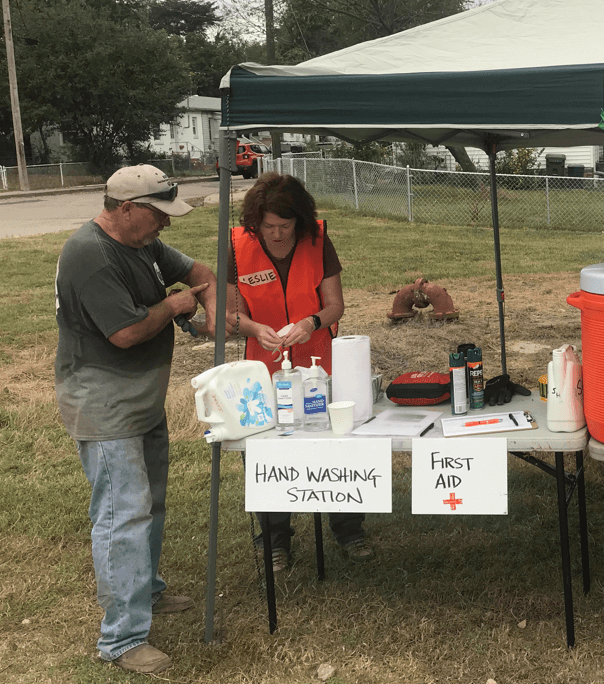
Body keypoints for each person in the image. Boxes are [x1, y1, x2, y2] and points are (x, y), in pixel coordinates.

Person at [55, 165, 217, 674]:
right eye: (157, 215)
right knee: (121, 515)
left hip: (142, 400)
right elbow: (125, 333)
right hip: (105, 406)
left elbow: (204, 275)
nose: (165, 225)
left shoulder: (142, 243)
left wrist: (210, 315)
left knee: (151, 503)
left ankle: (145, 589)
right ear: (126, 209)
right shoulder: (90, 256)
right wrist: (173, 305)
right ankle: (121, 639)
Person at [226, 172, 370, 569]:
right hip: (262, 365)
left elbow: (335, 305)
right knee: (264, 449)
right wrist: (255, 328)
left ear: (299, 222)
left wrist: (310, 323)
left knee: (336, 443)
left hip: (319, 361)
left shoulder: (318, 241)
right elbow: (230, 315)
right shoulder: (238, 246)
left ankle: (348, 528)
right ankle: (274, 539)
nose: (275, 234)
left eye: (284, 226)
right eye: (267, 227)